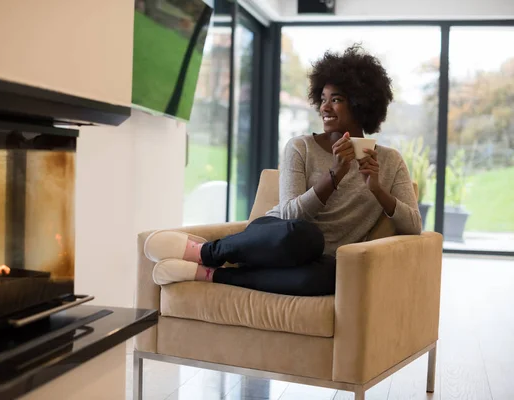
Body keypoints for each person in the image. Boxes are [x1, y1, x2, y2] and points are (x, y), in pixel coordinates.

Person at [144, 44, 422, 296]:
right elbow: (291, 214)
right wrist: (334, 175)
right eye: (323, 98)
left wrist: (376, 189)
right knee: (307, 236)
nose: (325, 107)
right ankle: (205, 252)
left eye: (336, 99)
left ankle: (213, 275)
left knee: (328, 277)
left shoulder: (389, 161)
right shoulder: (300, 147)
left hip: (319, 261)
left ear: (361, 104)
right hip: (279, 237)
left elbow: (414, 225)